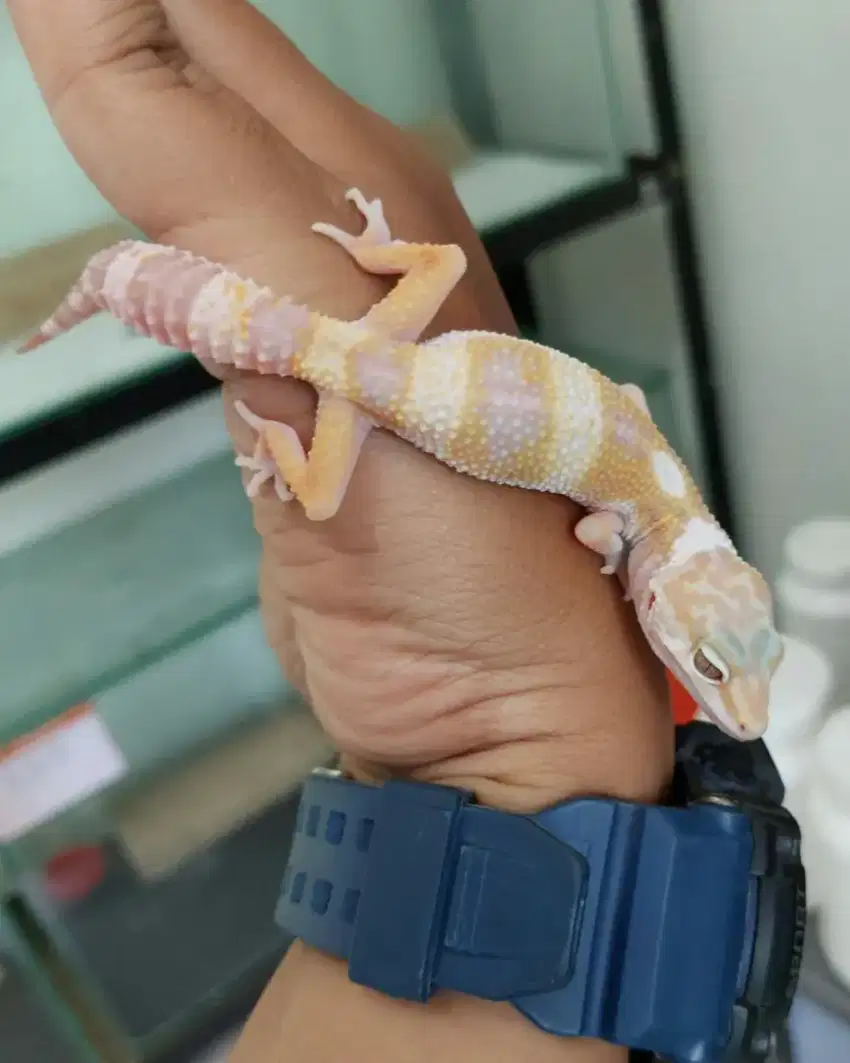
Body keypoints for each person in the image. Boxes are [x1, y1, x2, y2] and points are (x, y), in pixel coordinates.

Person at [9, 3, 672, 1060]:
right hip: (369, 380)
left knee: (349, 403)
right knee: (314, 484)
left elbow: (444, 279)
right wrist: (518, 743)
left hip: (384, 340)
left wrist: (517, 738)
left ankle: (124, 293)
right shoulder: (644, 520)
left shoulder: (634, 517)